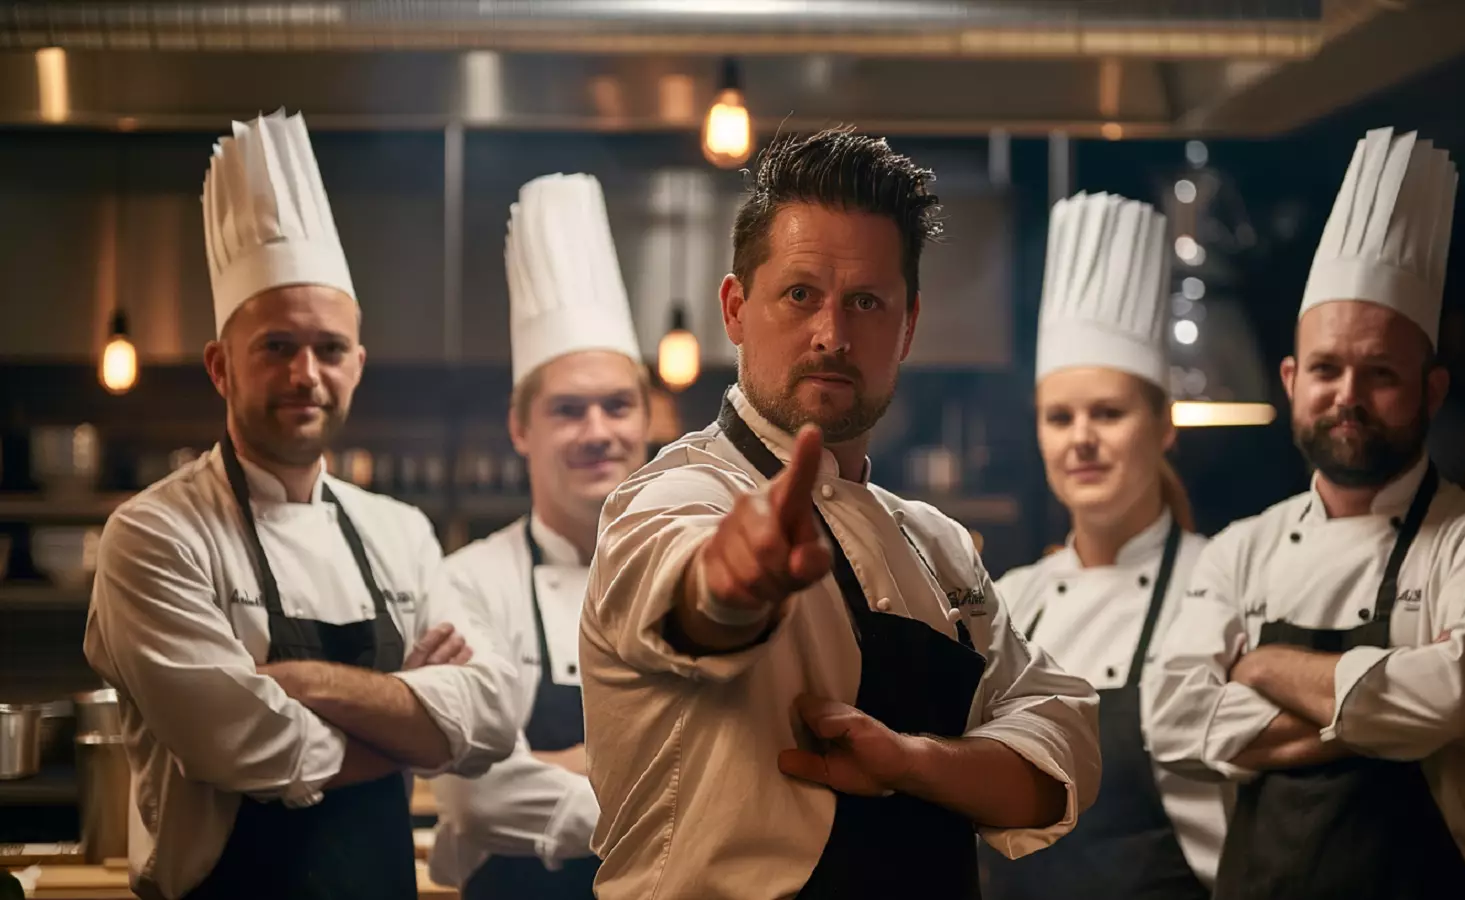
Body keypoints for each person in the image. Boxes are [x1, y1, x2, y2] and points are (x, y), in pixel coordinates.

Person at [579, 127, 1102, 900]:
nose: (832, 333)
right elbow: (688, 593)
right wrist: (734, 581)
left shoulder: (938, 547)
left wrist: (908, 762)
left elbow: (1061, 748)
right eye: (799, 295)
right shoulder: (672, 499)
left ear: (908, 324)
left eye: (866, 302)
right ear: (734, 308)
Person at [83, 111, 520, 900]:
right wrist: (414, 729)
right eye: (276, 347)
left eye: (327, 349)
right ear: (221, 367)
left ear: (357, 363)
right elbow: (237, 746)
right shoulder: (152, 536)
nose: (305, 375)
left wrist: (296, 682)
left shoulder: (400, 531)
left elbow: (488, 713)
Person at [1144, 127, 1465, 900]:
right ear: (1290, 379)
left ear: (1432, 389)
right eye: (1328, 369)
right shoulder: (1241, 549)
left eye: (1380, 373)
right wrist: (1389, 718)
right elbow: (1174, 719)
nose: (1348, 396)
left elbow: (1452, 697)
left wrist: (1258, 667)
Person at [980, 192, 1228, 899]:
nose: (1081, 437)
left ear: (1164, 425)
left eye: (1108, 413)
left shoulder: (1219, 581)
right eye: (1060, 417)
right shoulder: (1013, 599)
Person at [427, 173, 650, 900]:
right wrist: (667, 802)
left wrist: (567, 762)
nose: (598, 432)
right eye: (568, 409)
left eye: (617, 405)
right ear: (521, 427)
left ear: (646, 420)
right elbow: (472, 795)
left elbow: (746, 760)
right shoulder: (465, 582)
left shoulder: (696, 576)